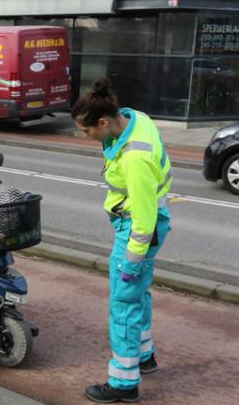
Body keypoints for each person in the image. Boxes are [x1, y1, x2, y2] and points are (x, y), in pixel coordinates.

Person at [72, 78, 173, 403]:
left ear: (103, 122)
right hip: (149, 223)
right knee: (138, 295)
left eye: (86, 131)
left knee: (124, 303)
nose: (85, 137)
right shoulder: (135, 118)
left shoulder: (135, 159)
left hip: (137, 231)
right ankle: (145, 356)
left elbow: (144, 219)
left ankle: (123, 383)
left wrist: (132, 258)